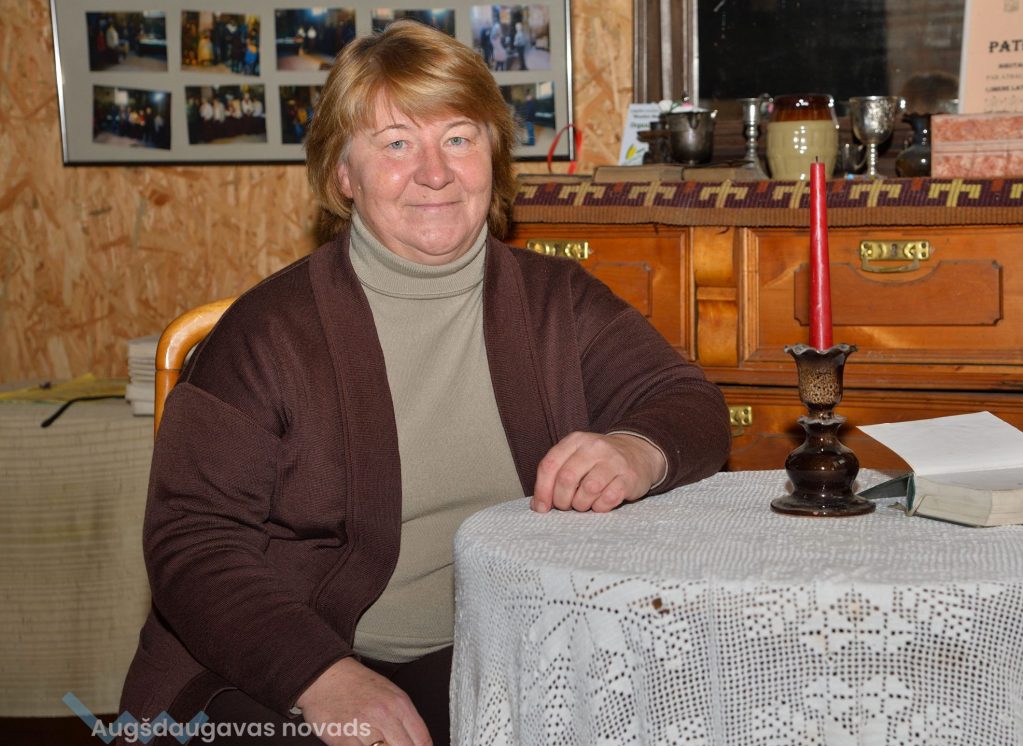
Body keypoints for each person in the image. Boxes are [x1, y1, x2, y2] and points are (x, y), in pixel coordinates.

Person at [119, 20, 729, 746]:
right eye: (396, 144)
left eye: (459, 138)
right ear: (343, 174)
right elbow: (191, 542)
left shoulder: (556, 301)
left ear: (493, 157)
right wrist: (324, 677)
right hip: (277, 662)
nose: (435, 173)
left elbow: (689, 403)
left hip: (490, 651)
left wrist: (635, 448)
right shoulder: (266, 334)